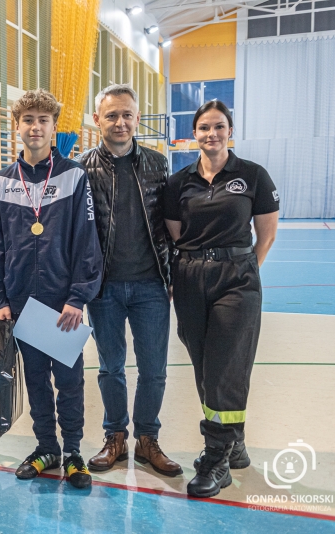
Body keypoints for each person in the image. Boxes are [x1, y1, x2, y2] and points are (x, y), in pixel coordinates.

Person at [163, 100, 278, 498]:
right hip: (191, 278)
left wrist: (241, 268)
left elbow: (266, 233)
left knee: (225, 366)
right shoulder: (179, 183)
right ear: (194, 134)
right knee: (204, 365)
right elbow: (177, 233)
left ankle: (216, 458)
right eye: (204, 127)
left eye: (219, 126)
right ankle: (234, 442)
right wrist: (199, 264)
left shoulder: (252, 175)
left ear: (230, 131)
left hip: (237, 279)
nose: (211, 134)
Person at [0, 89, 103, 489]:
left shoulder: (74, 176)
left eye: (43, 120)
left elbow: (86, 239)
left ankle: (72, 452)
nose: (35, 127)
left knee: (69, 383)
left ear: (54, 127)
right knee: (36, 381)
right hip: (22, 302)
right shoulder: (2, 181)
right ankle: (46, 448)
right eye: (28, 120)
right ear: (17, 126)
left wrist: (78, 297)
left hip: (62, 303)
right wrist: (1, 298)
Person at [75, 84, 181, 477]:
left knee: (154, 369)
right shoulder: (80, 169)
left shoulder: (158, 164)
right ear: (97, 119)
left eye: (127, 115)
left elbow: (171, 226)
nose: (120, 122)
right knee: (110, 368)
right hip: (103, 288)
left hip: (151, 285)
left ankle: (147, 440)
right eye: (112, 115)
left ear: (137, 118)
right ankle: (115, 436)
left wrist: (173, 275)